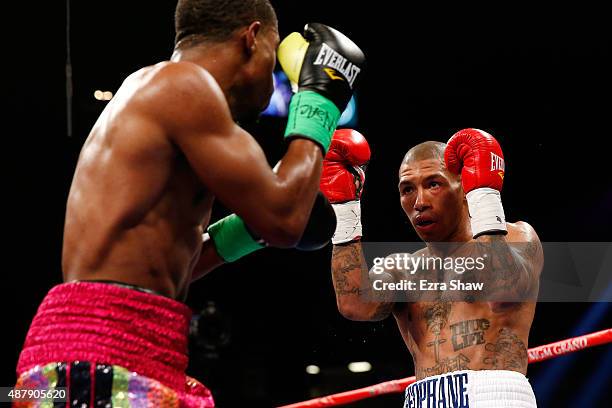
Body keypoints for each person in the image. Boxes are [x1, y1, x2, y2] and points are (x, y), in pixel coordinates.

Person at [14, 0, 365, 406]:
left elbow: (158, 260)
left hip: (104, 346)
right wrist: (320, 99)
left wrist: (244, 233)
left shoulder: (157, 95)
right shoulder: (185, 87)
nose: (273, 85)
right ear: (251, 39)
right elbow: (284, 219)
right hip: (104, 347)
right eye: (272, 62)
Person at [322, 128, 543, 407]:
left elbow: (500, 291)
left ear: (464, 187)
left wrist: (485, 196)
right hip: (422, 398)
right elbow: (355, 305)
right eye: (407, 189)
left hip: (493, 393)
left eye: (434, 184)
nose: (420, 202)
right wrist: (344, 208)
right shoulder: (402, 269)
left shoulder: (517, 237)